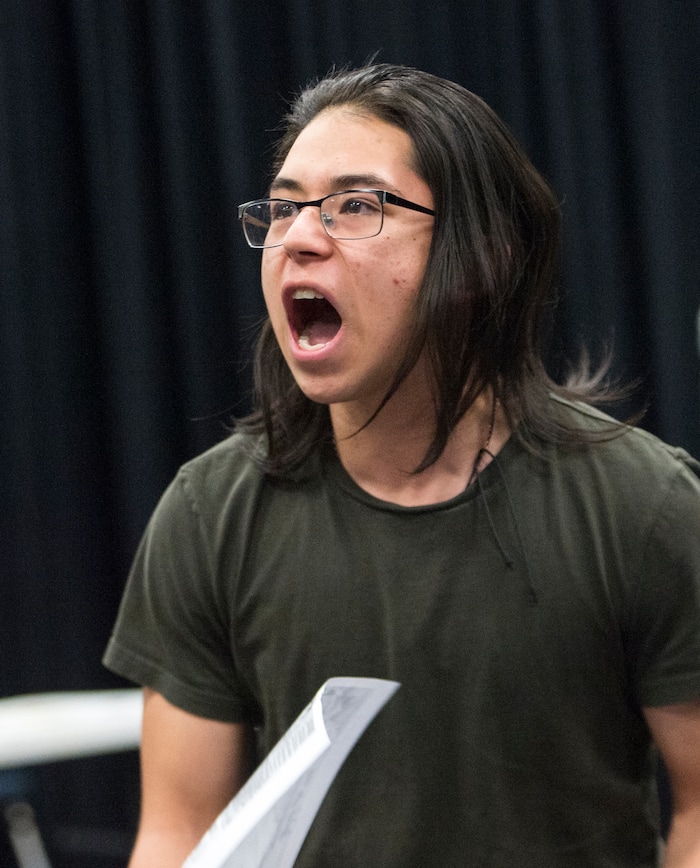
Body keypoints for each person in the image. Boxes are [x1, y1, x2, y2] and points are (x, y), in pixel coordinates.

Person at [103, 63, 700, 867]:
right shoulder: (212, 514)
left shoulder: (644, 506)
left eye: (356, 205)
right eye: (284, 209)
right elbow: (177, 833)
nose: (301, 238)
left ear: (481, 254)